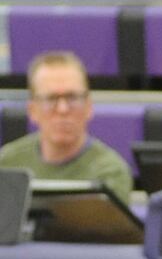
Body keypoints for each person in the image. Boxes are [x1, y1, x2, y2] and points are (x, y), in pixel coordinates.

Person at [0, 52, 132, 202]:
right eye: (50, 99)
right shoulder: (7, 164)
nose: (62, 109)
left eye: (72, 98)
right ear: (32, 110)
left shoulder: (110, 172)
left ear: (88, 107)